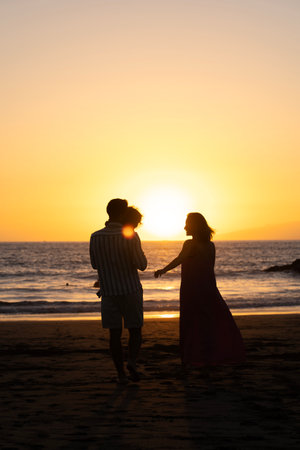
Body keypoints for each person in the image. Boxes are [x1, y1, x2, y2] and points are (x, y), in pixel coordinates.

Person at [154, 212, 245, 370]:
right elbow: (209, 268)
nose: (184, 227)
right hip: (209, 287)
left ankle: (191, 357)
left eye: (187, 224)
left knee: (191, 322)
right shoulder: (210, 245)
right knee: (211, 321)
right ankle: (212, 356)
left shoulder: (190, 244)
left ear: (194, 226)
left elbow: (179, 259)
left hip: (192, 288)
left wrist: (163, 270)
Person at [90, 199, 147, 383]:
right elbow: (142, 265)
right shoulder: (130, 235)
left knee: (114, 335)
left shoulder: (95, 236)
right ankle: (131, 361)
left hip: (109, 292)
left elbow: (94, 264)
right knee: (135, 330)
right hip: (130, 289)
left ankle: (120, 374)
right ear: (123, 214)